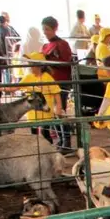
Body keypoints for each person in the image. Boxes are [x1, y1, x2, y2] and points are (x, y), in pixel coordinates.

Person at [41, 16, 74, 151]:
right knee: (54, 113)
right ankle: (61, 139)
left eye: (47, 29)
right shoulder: (45, 46)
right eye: (44, 29)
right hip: (49, 82)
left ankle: (66, 141)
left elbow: (67, 62)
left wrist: (51, 59)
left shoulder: (62, 44)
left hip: (61, 82)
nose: (45, 32)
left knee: (60, 111)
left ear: (54, 28)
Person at [14, 52, 62, 144]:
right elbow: (16, 87)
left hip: (45, 112)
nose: (30, 67)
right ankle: (37, 152)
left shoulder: (47, 78)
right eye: (30, 65)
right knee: (34, 135)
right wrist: (1, 88)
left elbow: (56, 92)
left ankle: (49, 151)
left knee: (45, 132)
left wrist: (59, 107)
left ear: (39, 66)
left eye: (32, 65)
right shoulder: (28, 77)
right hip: (33, 112)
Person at [0, 15, 20, 85]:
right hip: (8, 51)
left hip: (1, 52)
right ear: (5, 21)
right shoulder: (7, 29)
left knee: (6, 70)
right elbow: (16, 38)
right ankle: (8, 85)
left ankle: (7, 85)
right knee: (9, 70)